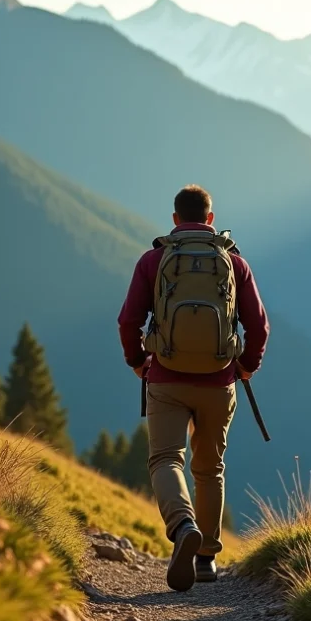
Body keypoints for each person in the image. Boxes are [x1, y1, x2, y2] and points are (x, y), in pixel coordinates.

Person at [117, 185, 270, 591]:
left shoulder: (154, 260)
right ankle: (206, 560)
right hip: (220, 381)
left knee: (166, 459)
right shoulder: (234, 262)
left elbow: (128, 321)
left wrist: (138, 362)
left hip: (166, 377)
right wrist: (246, 366)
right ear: (210, 219)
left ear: (174, 219)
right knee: (209, 469)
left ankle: (183, 525)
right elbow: (258, 325)